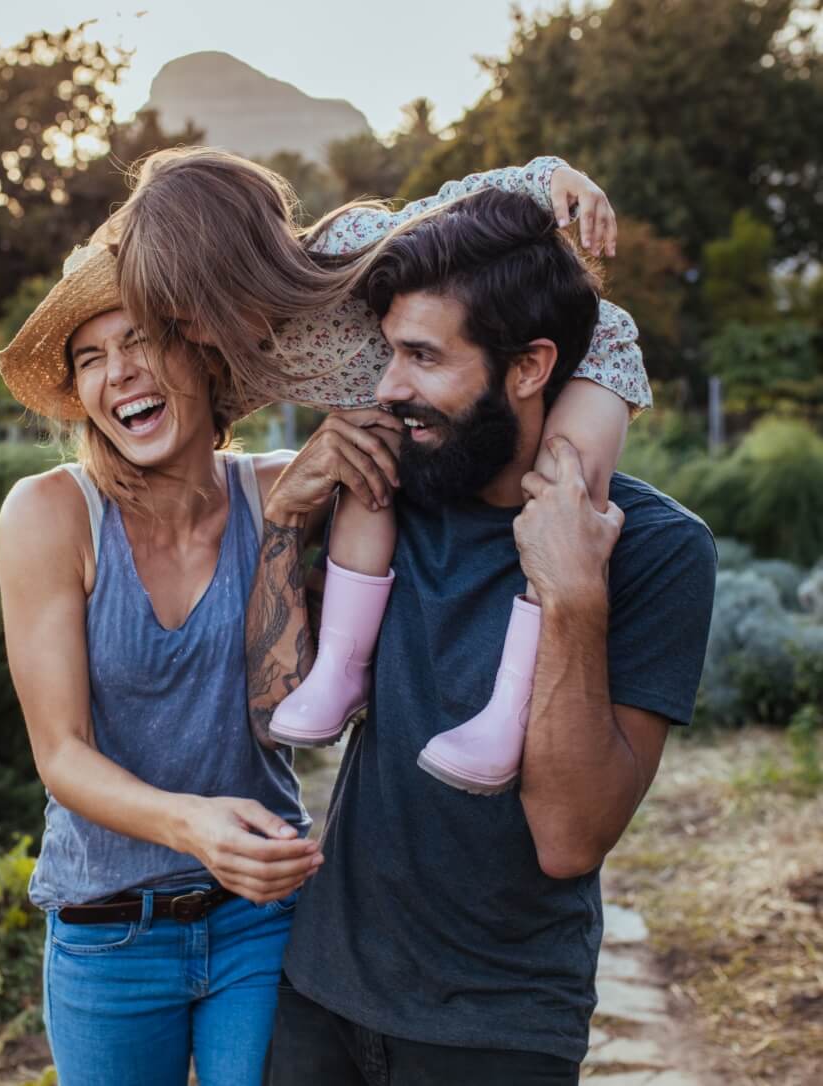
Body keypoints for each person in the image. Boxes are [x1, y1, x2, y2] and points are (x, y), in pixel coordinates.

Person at [246, 188, 717, 1085]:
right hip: (321, 991)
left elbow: (570, 840)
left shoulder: (659, 552)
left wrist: (572, 592)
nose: (390, 386)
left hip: (499, 1028)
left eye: (424, 356)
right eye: (391, 351)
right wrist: (282, 522)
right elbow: (272, 704)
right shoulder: (394, 492)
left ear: (530, 367)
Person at [108, 147, 651, 791]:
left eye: (193, 311)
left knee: (566, 491)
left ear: (240, 269)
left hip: (586, 350)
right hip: (416, 405)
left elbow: (457, 202)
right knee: (364, 473)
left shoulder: (348, 247)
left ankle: (511, 710)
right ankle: (341, 666)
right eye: (174, 321)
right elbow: (193, 407)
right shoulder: (246, 347)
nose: (192, 333)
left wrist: (552, 179)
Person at [0, 245, 334, 1086]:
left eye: (141, 339)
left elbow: (391, 340)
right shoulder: (51, 514)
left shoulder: (282, 491)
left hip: (261, 915)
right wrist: (192, 825)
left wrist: (531, 187)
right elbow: (61, 753)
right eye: (91, 357)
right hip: (109, 931)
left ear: (201, 351)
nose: (119, 374)